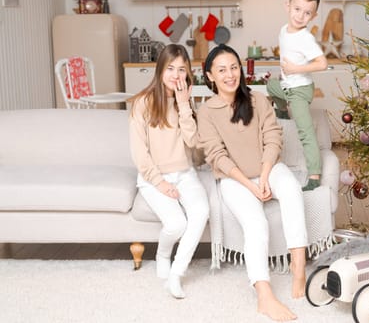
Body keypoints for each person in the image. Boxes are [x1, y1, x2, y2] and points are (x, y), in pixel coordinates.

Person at [197, 44, 308, 321]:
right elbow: (217, 156)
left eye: (233, 67)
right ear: (210, 76)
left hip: (267, 168)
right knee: (256, 222)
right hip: (235, 179)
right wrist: (250, 186)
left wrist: (266, 175)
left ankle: (298, 266)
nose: (229, 74)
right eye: (221, 70)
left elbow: (273, 138)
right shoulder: (207, 111)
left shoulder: (257, 100)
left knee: (293, 190)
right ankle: (264, 295)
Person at [128, 44, 209, 299]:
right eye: (171, 68)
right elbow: (140, 153)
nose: (176, 75)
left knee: (201, 212)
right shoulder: (143, 103)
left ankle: (176, 274)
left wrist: (184, 105)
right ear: (160, 69)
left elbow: (193, 142)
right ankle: (162, 254)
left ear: (188, 74)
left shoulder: (184, 101)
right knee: (176, 224)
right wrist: (160, 183)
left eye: (182, 70)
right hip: (154, 179)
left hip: (185, 174)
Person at [266, 0, 328, 191]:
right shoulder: (284, 30)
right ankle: (282, 108)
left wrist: (295, 69)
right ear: (288, 6)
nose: (301, 16)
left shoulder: (306, 38)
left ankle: (314, 175)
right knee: (270, 86)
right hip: (286, 85)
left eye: (307, 13)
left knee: (305, 132)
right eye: (297, 9)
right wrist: (286, 72)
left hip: (300, 90)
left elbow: (322, 63)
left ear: (314, 15)